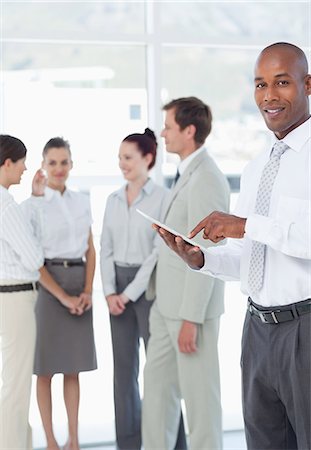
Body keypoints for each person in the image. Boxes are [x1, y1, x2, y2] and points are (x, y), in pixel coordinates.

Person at [153, 43, 311, 450]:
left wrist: (245, 225)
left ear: (308, 85)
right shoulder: (256, 167)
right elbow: (251, 257)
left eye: (282, 83)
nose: (269, 96)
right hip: (257, 332)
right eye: (260, 84)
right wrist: (202, 258)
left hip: (304, 333)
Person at [142, 98, 230, 450]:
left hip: (190, 313)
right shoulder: (186, 173)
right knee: (157, 396)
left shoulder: (207, 177)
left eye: (168, 126)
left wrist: (192, 318)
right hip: (166, 307)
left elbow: (207, 253)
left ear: (189, 131)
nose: (162, 133)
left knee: (200, 404)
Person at [100, 128, 187, 450]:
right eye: (120, 158)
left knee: (160, 375)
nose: (122, 164)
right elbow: (104, 246)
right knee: (123, 375)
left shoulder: (164, 198)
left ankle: (174, 444)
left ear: (147, 158)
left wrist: (128, 294)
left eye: (128, 157)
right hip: (116, 291)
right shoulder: (111, 199)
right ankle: (129, 444)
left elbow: (158, 252)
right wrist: (110, 291)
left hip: (149, 289)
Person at [26, 137, 97, 450]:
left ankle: (74, 440)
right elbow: (34, 260)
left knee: (73, 367)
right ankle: (51, 442)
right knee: (45, 369)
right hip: (48, 285)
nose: (58, 169)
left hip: (78, 281)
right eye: (52, 162)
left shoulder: (82, 200)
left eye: (64, 162)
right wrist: (63, 297)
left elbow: (90, 248)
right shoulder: (34, 205)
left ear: (71, 164)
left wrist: (87, 291)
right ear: (43, 165)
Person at [0, 134, 45, 449]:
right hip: (15, 299)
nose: (26, 168)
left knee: (9, 384)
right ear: (6, 163)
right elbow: (34, 258)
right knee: (15, 388)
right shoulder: (5, 203)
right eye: (21, 162)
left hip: (6, 299)